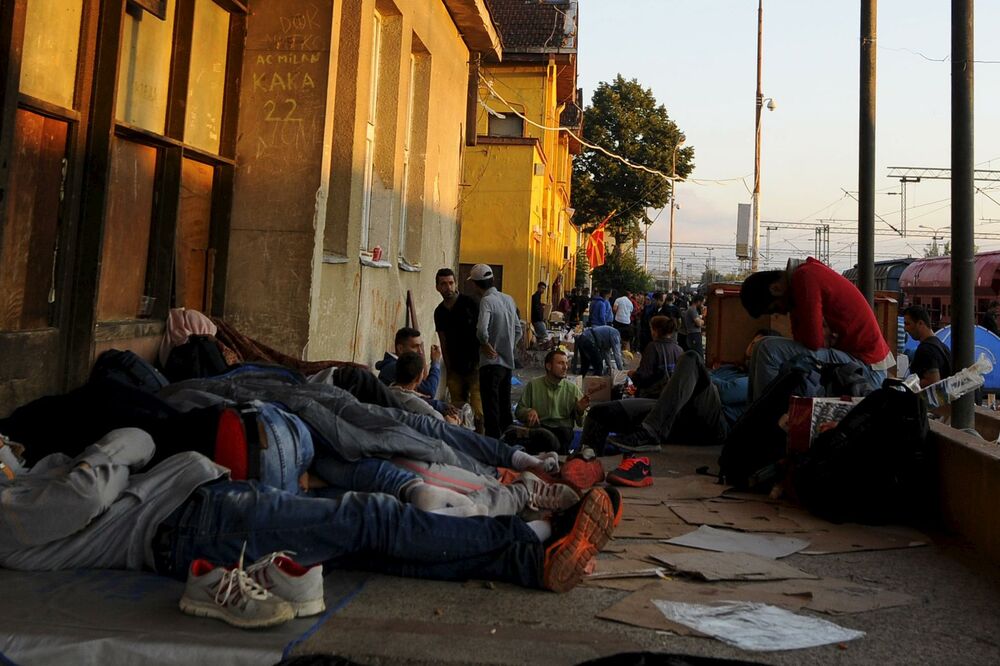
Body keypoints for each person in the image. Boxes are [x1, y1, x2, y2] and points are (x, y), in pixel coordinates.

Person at [0, 428, 619, 596]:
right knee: (372, 517)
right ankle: (529, 540)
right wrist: (109, 447)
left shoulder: (20, 488)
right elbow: (93, 484)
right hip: (191, 521)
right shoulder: (10, 513)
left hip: (199, 516)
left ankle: (535, 548)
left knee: (367, 542)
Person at [581, 331, 774, 454]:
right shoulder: (730, 369)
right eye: (754, 344)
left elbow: (724, 392)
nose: (755, 349)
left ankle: (650, 433)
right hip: (679, 411)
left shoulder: (756, 380)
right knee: (601, 413)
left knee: (691, 357)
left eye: (761, 347)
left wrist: (701, 376)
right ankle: (585, 462)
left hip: (716, 425)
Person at [739, 257, 893, 400]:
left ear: (776, 288)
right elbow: (802, 338)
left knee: (767, 349)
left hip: (866, 367)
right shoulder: (801, 279)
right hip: (856, 361)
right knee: (760, 345)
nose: (783, 312)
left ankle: (767, 421)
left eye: (776, 308)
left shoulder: (805, 278)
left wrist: (818, 334)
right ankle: (755, 412)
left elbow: (812, 341)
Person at [468, 263, 522, 438]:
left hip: (490, 364)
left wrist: (486, 344)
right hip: (507, 364)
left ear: (475, 284)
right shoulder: (508, 299)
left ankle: (493, 446)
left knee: (491, 409)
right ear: (492, 280)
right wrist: (508, 347)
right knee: (505, 407)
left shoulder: (487, 301)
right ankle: (510, 444)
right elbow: (518, 330)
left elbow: (481, 331)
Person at [512, 350, 590, 453]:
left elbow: (582, 423)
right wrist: (528, 412)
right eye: (560, 363)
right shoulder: (534, 385)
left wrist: (580, 411)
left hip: (562, 430)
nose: (565, 367)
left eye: (566, 363)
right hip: (540, 427)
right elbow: (518, 411)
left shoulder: (572, 389)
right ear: (548, 366)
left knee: (563, 436)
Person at [434, 268, 483, 428]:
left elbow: (483, 331)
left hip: (475, 365)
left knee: (478, 411)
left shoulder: (470, 304)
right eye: (443, 284)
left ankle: (481, 442)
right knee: (456, 410)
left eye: (450, 283)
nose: (448, 287)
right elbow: (443, 339)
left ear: (455, 284)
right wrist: (448, 367)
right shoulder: (440, 312)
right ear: (437, 287)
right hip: (455, 367)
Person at [389, 352, 457, 422]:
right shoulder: (417, 404)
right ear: (418, 378)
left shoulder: (387, 392)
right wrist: (454, 422)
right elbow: (442, 424)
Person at [377, 327, 442, 399]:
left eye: (421, 346)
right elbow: (429, 391)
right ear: (400, 349)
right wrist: (435, 362)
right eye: (415, 347)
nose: (420, 351)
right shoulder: (395, 367)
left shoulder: (395, 365)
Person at [629, 315, 683, 398]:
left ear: (655, 331)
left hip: (654, 396)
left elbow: (643, 375)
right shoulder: (679, 349)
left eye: (651, 328)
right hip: (672, 395)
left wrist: (633, 375)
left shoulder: (653, 347)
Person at [903, 305, 953, 388]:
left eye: (907, 324)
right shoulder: (942, 347)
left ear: (920, 323)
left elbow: (932, 382)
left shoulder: (926, 350)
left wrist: (908, 385)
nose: (905, 328)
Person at [683, 294, 706, 358]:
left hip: (693, 334)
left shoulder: (693, 310)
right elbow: (698, 323)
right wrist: (703, 322)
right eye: (702, 303)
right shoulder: (692, 310)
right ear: (698, 302)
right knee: (698, 353)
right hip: (694, 335)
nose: (703, 305)